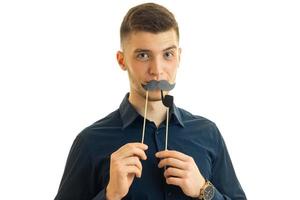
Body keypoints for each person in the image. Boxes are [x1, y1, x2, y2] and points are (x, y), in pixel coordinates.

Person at [54, 3, 246, 200]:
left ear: (179, 57)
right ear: (122, 60)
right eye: (143, 55)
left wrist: (204, 190)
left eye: (168, 54)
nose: (157, 70)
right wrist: (110, 195)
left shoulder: (208, 134)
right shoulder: (89, 142)